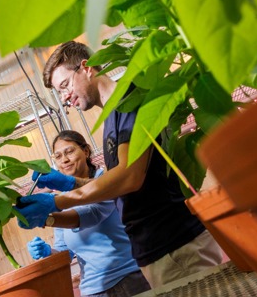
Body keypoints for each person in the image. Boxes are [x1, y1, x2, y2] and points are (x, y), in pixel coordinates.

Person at [17, 41, 224, 288]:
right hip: (158, 250)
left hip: (175, 244)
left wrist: (56, 202)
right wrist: (71, 184)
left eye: (65, 86)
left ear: (87, 67)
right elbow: (120, 182)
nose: (65, 98)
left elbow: (130, 177)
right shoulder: (113, 119)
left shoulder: (129, 101)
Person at [26, 130, 150, 297]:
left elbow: (92, 213)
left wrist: (47, 218)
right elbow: (66, 253)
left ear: (85, 151)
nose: (65, 159)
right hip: (92, 289)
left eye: (69, 151)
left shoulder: (104, 180)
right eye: (58, 156)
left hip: (129, 279)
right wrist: (48, 252)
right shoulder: (60, 200)